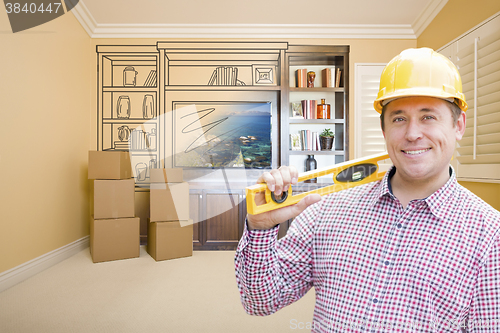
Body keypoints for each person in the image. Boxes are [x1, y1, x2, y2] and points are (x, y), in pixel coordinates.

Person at [234, 48, 500, 332]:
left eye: (428, 117)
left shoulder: (490, 236)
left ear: (458, 125)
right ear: (384, 130)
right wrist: (260, 228)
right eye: (399, 118)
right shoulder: (327, 209)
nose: (412, 134)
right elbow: (259, 301)